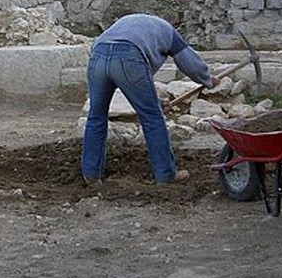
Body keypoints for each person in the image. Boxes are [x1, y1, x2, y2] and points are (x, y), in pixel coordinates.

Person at [80, 13, 217, 185]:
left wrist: (156, 101)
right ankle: (166, 174)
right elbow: (188, 62)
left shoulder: (130, 22)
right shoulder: (169, 31)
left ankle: (91, 174)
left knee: (96, 116)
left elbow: (127, 81)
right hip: (129, 56)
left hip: (97, 56)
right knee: (153, 118)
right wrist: (208, 79)